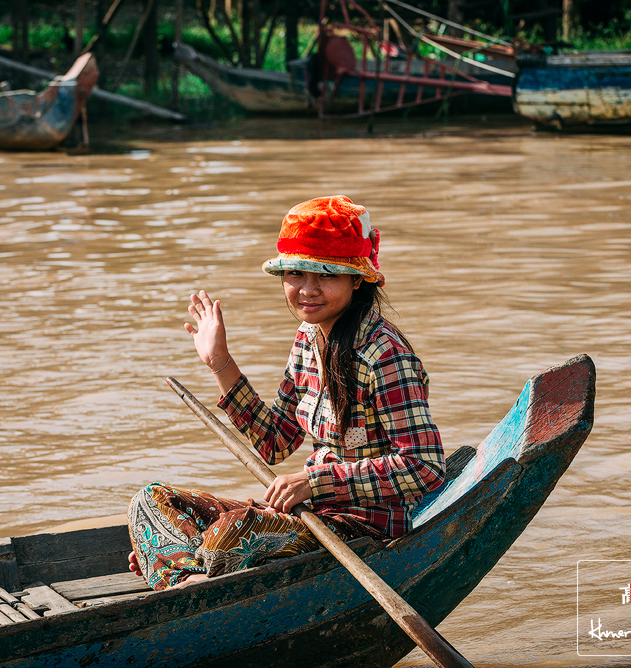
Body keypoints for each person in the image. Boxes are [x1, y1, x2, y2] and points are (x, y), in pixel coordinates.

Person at [127, 195, 446, 591]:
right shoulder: (307, 339)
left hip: (360, 529)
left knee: (235, 532)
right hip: (305, 513)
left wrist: (317, 482)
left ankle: (183, 571)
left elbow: (425, 465)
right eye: (296, 273)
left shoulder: (383, 353)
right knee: (151, 501)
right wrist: (219, 362)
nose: (307, 290)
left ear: (357, 280)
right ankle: (185, 577)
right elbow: (276, 442)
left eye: (326, 275)